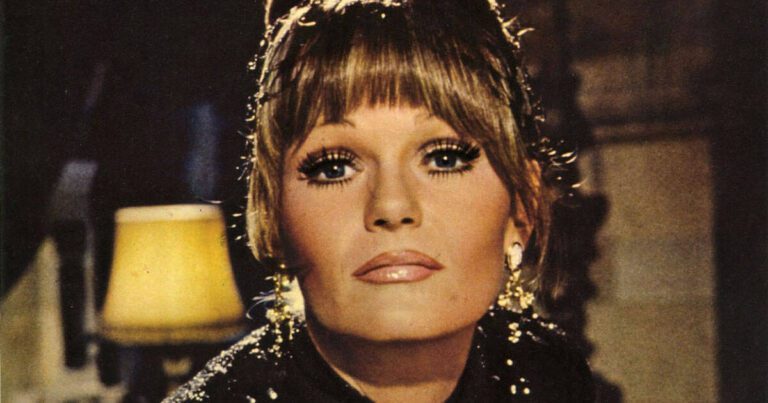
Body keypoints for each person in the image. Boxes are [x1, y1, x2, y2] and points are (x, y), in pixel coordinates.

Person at [166, 0, 593, 401]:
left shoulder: (552, 375)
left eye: (444, 159)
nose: (392, 206)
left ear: (522, 206)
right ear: (271, 216)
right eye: (334, 167)